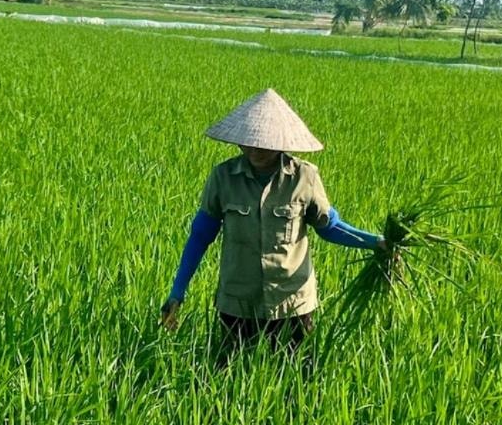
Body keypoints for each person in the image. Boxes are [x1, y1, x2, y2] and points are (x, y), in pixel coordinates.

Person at [160, 88, 383, 350]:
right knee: (231, 377)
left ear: (281, 142)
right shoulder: (223, 178)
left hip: (292, 303)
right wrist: (177, 292)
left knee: (294, 378)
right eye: (250, 141)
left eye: (266, 143)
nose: (256, 149)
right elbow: (200, 236)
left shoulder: (304, 177)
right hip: (237, 302)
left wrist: (375, 242)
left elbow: (329, 226)